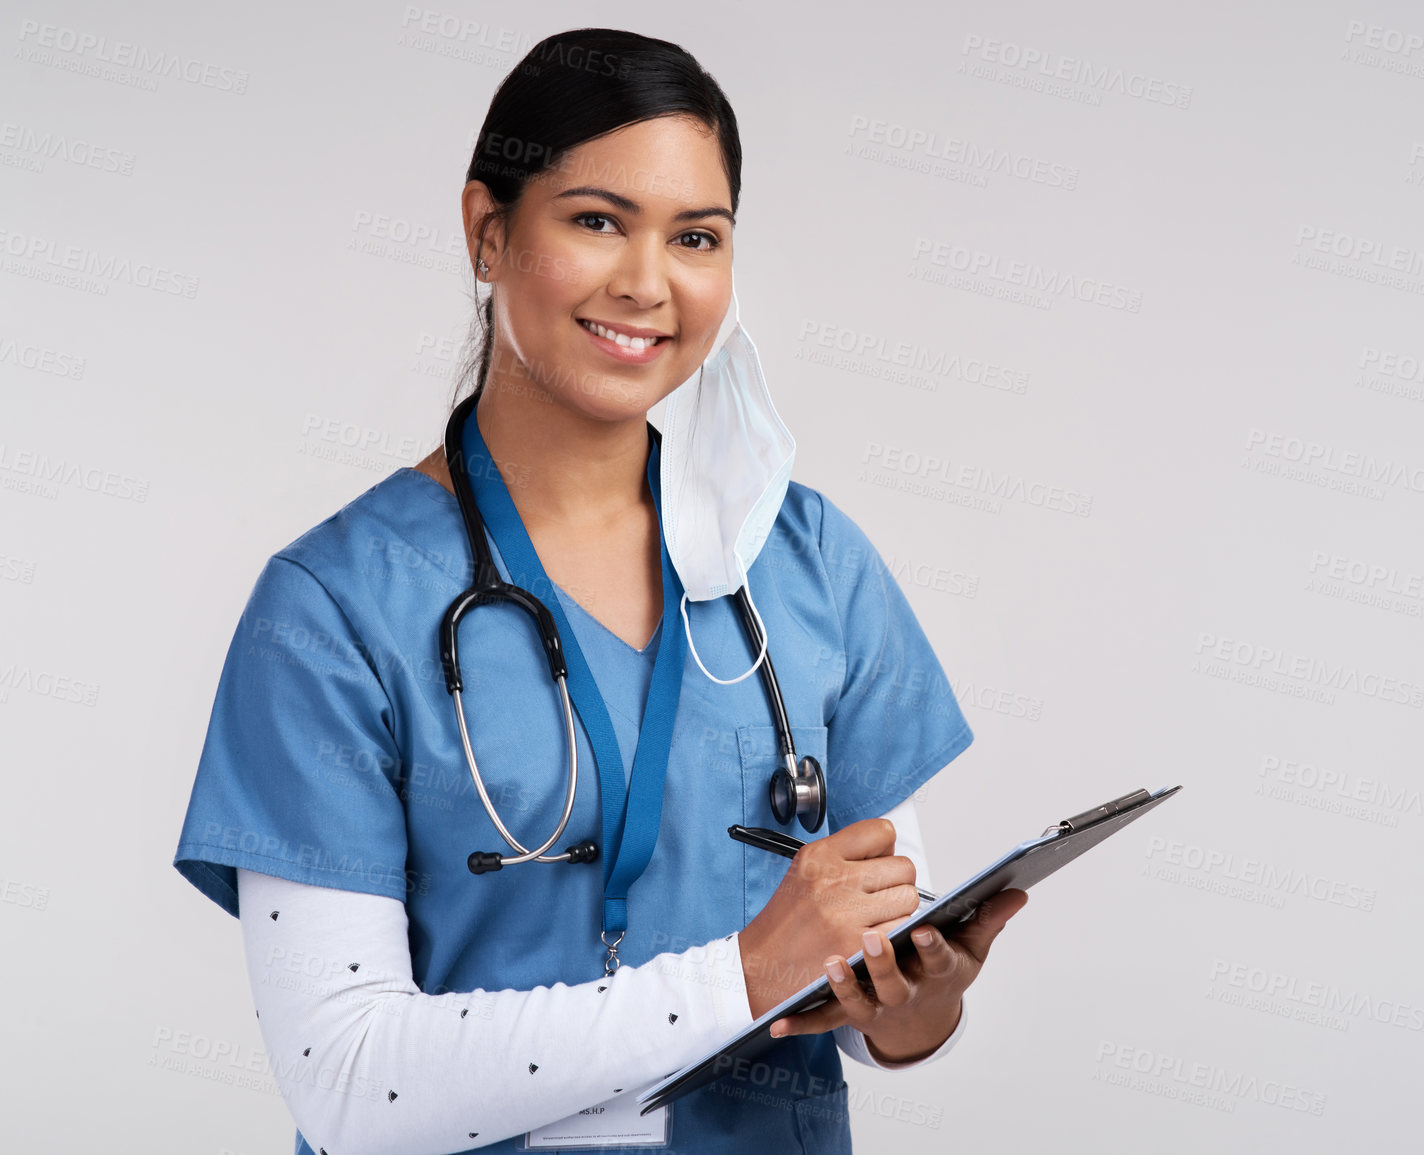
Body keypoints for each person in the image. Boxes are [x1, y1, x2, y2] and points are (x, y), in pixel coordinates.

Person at [171, 27, 1027, 1155]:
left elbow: (874, 997)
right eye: (595, 221)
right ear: (488, 232)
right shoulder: (334, 610)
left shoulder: (806, 560)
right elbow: (350, 1085)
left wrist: (918, 1007)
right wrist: (739, 976)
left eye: (696, 237)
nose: (647, 282)